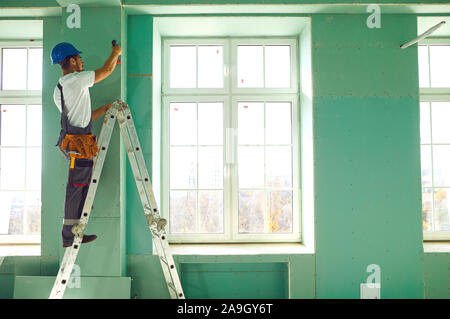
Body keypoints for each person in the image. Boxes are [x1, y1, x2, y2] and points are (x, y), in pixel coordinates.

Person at [51, 42, 122, 248]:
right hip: (79, 146)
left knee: (79, 187)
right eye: (79, 58)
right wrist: (115, 53)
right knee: (77, 188)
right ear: (71, 61)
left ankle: (73, 232)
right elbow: (106, 70)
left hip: (74, 143)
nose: (82, 61)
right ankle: (70, 234)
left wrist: (105, 108)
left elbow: (83, 118)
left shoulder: (60, 89)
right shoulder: (76, 80)